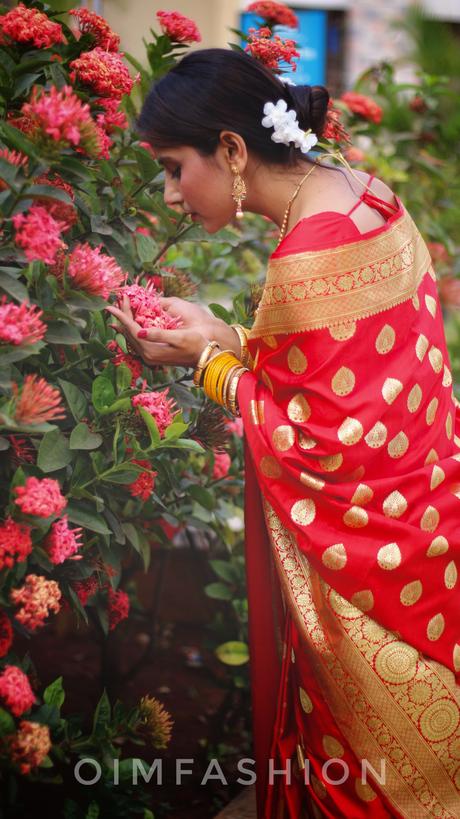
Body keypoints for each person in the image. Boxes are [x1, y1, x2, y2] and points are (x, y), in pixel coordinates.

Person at [107, 48, 460, 819]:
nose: (170, 194)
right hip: (431, 528)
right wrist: (225, 331)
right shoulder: (368, 197)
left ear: (232, 149)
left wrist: (207, 359)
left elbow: (310, 439)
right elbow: (341, 372)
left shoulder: (307, 256)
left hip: (367, 572)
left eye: (174, 168)